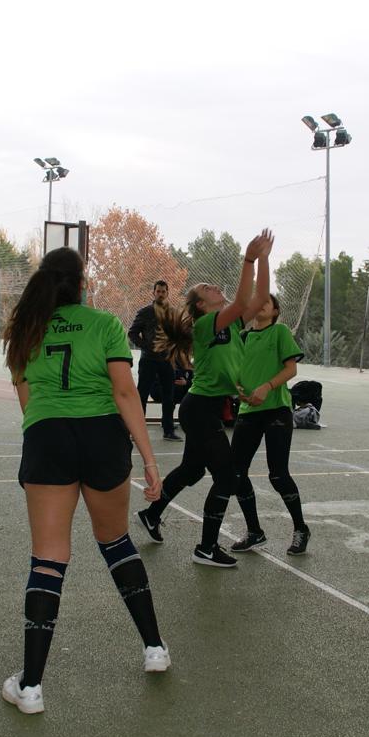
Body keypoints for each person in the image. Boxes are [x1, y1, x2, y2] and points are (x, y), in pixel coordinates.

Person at [0, 247, 167, 715]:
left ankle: (30, 686)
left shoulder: (23, 330)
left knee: (49, 557)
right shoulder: (105, 324)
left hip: (48, 435)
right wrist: (150, 460)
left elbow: (29, 402)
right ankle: (154, 647)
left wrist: (50, 438)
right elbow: (123, 391)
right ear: (81, 282)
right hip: (102, 436)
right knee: (116, 542)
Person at [136, 230, 273, 567]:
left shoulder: (228, 323)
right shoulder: (205, 325)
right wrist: (249, 259)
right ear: (200, 305)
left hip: (204, 407)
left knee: (192, 470)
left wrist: (265, 258)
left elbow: (260, 297)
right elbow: (243, 301)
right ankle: (206, 549)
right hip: (200, 411)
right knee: (227, 478)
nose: (216, 288)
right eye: (209, 289)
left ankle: (152, 515)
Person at [228, 294, 310, 555]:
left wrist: (267, 386)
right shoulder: (242, 337)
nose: (260, 305)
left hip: (276, 410)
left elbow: (291, 370)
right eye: (257, 302)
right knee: (236, 474)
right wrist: (237, 388)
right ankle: (254, 532)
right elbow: (235, 371)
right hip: (248, 410)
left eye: (267, 302)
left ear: (275, 310)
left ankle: (301, 528)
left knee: (278, 475)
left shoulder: (280, 332)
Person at [128, 280, 183, 440]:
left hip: (167, 361)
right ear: (153, 293)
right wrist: (147, 347)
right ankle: (137, 430)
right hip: (148, 360)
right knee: (142, 394)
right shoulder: (144, 312)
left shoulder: (173, 313)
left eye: (163, 291)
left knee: (169, 395)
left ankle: (168, 430)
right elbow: (132, 333)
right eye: (158, 291)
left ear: (167, 293)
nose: (160, 294)